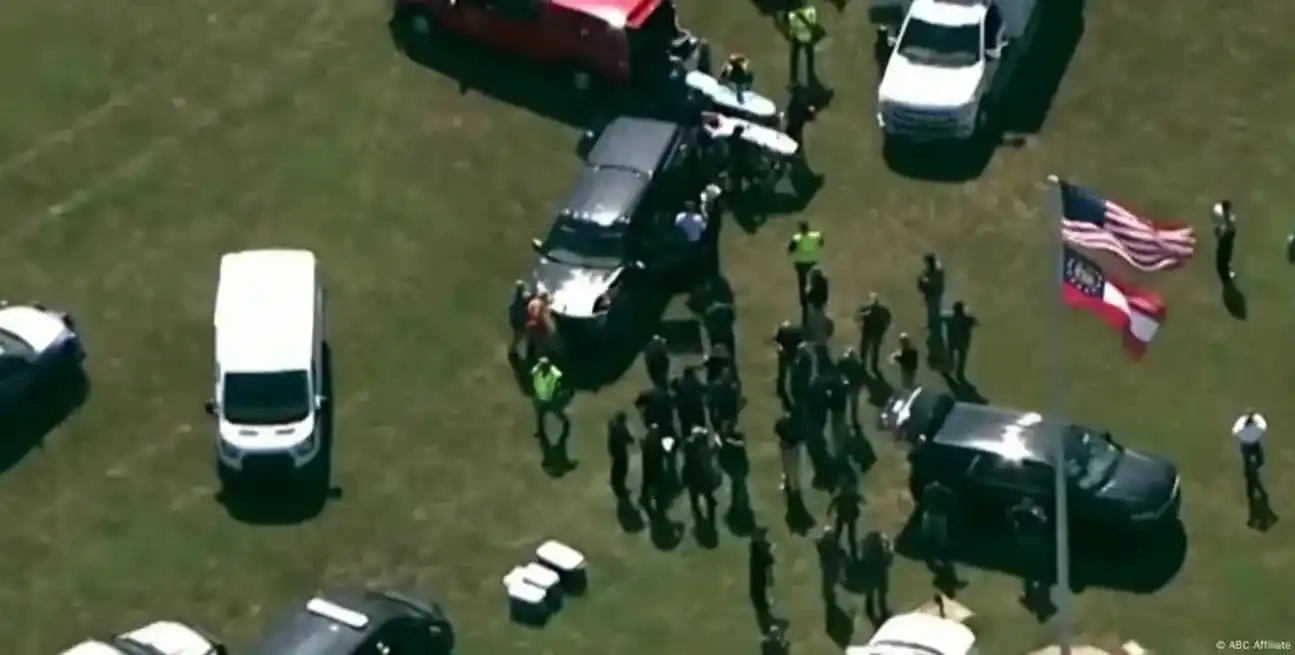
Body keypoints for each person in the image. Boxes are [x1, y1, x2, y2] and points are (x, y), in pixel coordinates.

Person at [786, 221, 824, 318]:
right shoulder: (816, 235)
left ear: (800, 228)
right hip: (813, 262)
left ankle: (804, 301)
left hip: (801, 264)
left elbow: (790, 249)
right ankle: (815, 299)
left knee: (802, 283)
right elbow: (821, 243)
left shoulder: (796, 238)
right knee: (815, 281)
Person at [784, 0, 824, 89]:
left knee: (795, 57)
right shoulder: (810, 9)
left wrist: (790, 33)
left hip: (797, 35)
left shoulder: (792, 12)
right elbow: (813, 22)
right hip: (807, 35)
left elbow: (790, 25)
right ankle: (810, 75)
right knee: (809, 56)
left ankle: (794, 79)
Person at [683, 426, 718, 523]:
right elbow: (708, 455)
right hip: (700, 474)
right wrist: (716, 446)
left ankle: (696, 509)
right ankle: (709, 509)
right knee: (705, 490)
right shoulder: (700, 446)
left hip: (691, 474)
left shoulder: (689, 445)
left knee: (693, 492)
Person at [859, 530, 894, 622]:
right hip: (880, 573)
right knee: (881, 593)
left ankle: (869, 609)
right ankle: (883, 612)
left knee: (870, 592)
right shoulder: (883, 548)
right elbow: (889, 559)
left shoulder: (866, 547)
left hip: (870, 572)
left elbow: (862, 559)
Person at [530, 357, 568, 440]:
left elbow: (560, 378)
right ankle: (540, 431)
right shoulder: (538, 371)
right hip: (541, 397)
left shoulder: (553, 372)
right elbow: (532, 372)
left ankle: (565, 422)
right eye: (542, 366)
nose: (543, 368)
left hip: (551, 399)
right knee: (540, 415)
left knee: (556, 412)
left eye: (545, 366)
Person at [854, 293, 891, 372]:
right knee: (865, 349)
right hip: (867, 333)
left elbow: (888, 320)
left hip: (875, 334)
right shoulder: (865, 309)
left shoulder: (882, 310)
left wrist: (884, 328)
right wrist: (864, 314)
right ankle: (864, 364)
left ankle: (873, 365)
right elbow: (856, 317)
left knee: (875, 350)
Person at [943, 301, 978, 381]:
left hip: (952, 342)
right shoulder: (968, 320)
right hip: (963, 342)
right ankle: (960, 373)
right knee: (962, 359)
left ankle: (949, 370)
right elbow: (974, 321)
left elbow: (942, 319)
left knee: (951, 357)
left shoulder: (950, 319)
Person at [771, 320, 804, 403]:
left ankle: (780, 388)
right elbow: (801, 344)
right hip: (792, 354)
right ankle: (790, 389)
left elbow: (776, 341)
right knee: (793, 373)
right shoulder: (798, 332)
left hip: (785, 353)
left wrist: (780, 349)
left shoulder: (782, 331)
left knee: (782, 372)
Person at [827, 484, 863, 558]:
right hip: (845, 516)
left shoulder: (848, 496)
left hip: (848, 517)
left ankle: (853, 554)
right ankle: (837, 547)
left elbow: (860, 499)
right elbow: (861, 499)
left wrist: (829, 511)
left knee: (849, 537)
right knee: (843, 535)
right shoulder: (848, 496)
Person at [748, 528, 777, 618]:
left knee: (758, 590)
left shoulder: (755, 547)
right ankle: (763, 605)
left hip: (758, 572)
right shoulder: (759, 548)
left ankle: (763, 604)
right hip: (759, 573)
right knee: (759, 590)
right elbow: (768, 562)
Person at [1232, 409, 1267, 478]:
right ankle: (1251, 470)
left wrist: (1240, 435)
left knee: (1248, 459)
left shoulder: (1242, 422)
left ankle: (1248, 471)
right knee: (1257, 458)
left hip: (1246, 444)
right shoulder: (1249, 423)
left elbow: (1234, 432)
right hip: (1251, 444)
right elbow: (1263, 428)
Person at [673, 366, 709, 434]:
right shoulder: (695, 382)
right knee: (700, 431)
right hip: (697, 412)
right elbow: (704, 390)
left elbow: (676, 399)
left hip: (685, 414)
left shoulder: (682, 384)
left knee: (686, 431)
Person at [607, 412, 635, 498]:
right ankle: (621, 488)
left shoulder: (613, 426)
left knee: (616, 467)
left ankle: (614, 482)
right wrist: (633, 440)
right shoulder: (622, 428)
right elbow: (629, 439)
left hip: (614, 451)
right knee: (623, 470)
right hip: (621, 452)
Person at [640, 424, 667, 513]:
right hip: (653, 468)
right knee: (654, 485)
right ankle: (656, 502)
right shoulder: (653, 443)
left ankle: (645, 497)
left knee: (647, 484)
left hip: (649, 468)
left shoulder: (648, 442)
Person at [837, 348, 865, 430]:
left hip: (849, 386)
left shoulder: (843, 363)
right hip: (852, 387)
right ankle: (853, 421)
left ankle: (848, 420)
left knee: (846, 403)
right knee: (853, 405)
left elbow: (838, 372)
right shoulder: (856, 365)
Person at [917, 253, 945, 334]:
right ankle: (932, 323)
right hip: (932, 291)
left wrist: (925, 282)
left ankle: (935, 324)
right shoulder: (932, 268)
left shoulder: (937, 269)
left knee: (934, 307)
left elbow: (934, 280)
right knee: (931, 308)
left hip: (935, 291)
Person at [707, 367, 742, 431]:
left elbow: (736, 403)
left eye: (727, 375)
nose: (726, 376)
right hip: (720, 414)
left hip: (727, 414)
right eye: (725, 374)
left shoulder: (733, 388)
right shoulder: (717, 387)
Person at [775, 412, 803, 493]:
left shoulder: (783, 423)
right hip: (794, 444)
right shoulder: (797, 421)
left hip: (787, 445)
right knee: (795, 466)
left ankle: (791, 484)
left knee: (788, 465)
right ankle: (795, 485)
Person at [524, 290, 555, 360]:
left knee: (531, 342)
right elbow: (537, 315)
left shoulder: (533, 301)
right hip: (538, 327)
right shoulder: (540, 304)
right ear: (544, 298)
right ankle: (539, 359)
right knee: (539, 344)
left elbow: (547, 302)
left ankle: (529, 356)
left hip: (529, 325)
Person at [1213, 200, 1237, 288]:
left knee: (1224, 259)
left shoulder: (1224, 220)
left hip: (1225, 243)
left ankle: (1226, 273)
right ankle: (1226, 274)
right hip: (1225, 244)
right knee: (1224, 259)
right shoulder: (1227, 222)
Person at [507, 280, 532, 358]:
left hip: (516, 320)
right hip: (519, 321)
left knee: (519, 337)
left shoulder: (515, 297)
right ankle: (512, 351)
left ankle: (513, 350)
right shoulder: (520, 299)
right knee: (518, 337)